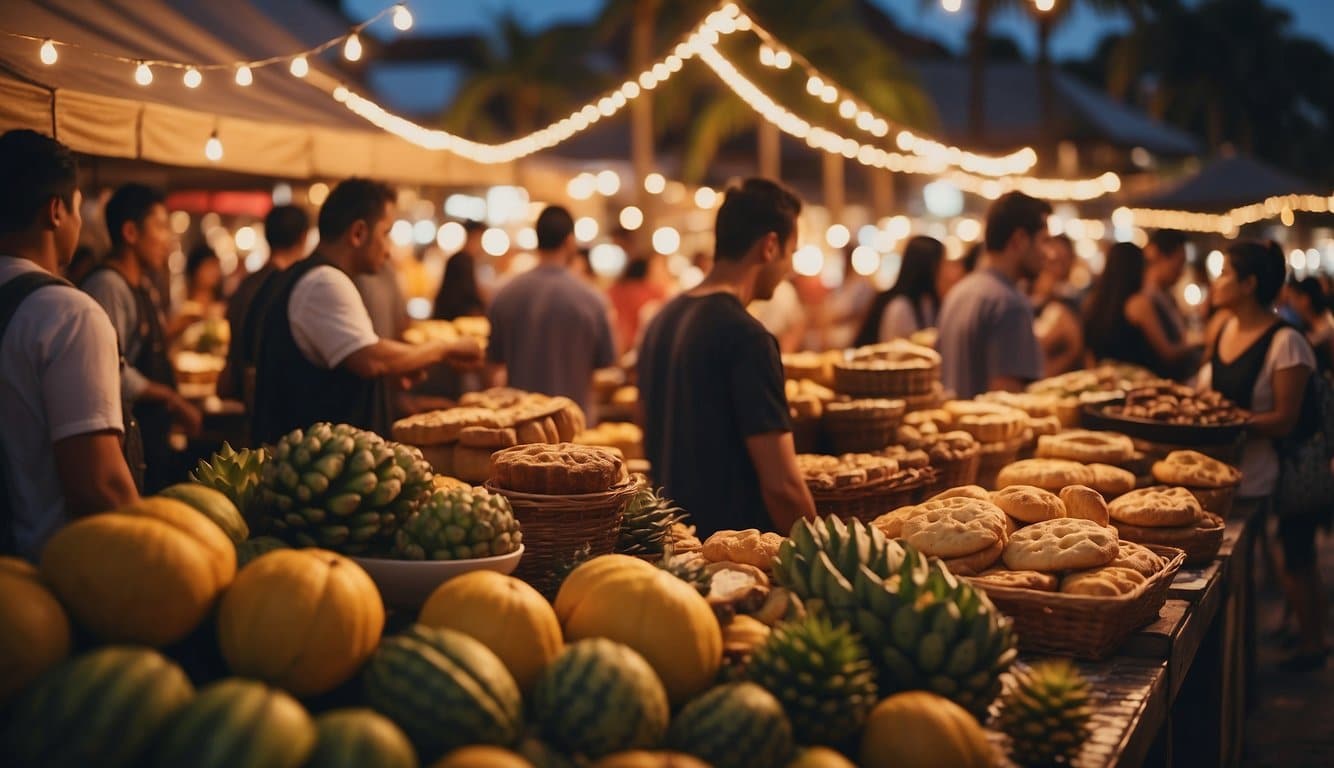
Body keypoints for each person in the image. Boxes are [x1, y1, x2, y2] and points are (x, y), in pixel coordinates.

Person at [639, 178, 816, 537]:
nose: (789, 267)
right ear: (770, 246)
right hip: (735, 557)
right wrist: (823, 554)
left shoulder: (662, 319)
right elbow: (782, 486)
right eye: (791, 253)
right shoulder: (748, 337)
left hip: (673, 543)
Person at [251, 179, 481, 444]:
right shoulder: (324, 281)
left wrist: (403, 398)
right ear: (358, 233)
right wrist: (444, 348)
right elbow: (372, 359)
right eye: (386, 233)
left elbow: (345, 369)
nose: (389, 249)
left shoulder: (307, 276)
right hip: (315, 473)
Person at [0, 129, 138, 560]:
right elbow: (98, 487)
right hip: (52, 585)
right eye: (79, 210)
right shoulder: (69, 314)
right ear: (56, 212)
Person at [1199, 240, 1323, 669]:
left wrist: (1230, 420)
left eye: (1225, 273)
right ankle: (1240, 656)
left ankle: (1312, 644)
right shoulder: (1221, 329)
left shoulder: (1287, 342)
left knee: (1294, 558)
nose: (1216, 282)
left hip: (1275, 473)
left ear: (1250, 284)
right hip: (1226, 474)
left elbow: (1286, 418)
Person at [82, 183, 201, 492]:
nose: (168, 239)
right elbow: (110, 369)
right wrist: (172, 399)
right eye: (160, 227)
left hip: (153, 435)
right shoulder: (108, 285)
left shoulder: (142, 285)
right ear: (131, 233)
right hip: (129, 440)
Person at [486, 206, 616, 419]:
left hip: (521, 428)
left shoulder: (505, 295)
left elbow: (492, 364)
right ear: (570, 241)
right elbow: (606, 361)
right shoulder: (592, 300)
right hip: (574, 426)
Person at [936, 192, 1050, 399]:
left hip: (955, 427)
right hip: (987, 430)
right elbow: (1008, 400)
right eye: (1044, 241)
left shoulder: (959, 292)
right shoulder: (1009, 303)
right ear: (1019, 240)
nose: (1047, 253)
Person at [218, 204, 309, 403]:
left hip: (242, 394)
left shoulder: (247, 284)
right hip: (272, 400)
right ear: (303, 237)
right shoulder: (289, 286)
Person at [854, 235, 944, 346]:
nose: (945, 272)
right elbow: (892, 351)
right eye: (941, 265)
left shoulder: (927, 302)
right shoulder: (899, 306)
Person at [1083, 243, 1157, 370]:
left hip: (1103, 380)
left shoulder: (1093, 302)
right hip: (1137, 382)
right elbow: (1167, 353)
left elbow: (1088, 352)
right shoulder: (1138, 303)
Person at [1138, 229, 1200, 379]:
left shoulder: (1167, 297)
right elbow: (1167, 353)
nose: (1181, 272)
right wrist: (1200, 341)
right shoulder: (1145, 298)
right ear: (1159, 256)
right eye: (1178, 264)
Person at [1033, 235, 1085, 376]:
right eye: (1050, 260)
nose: (1054, 268)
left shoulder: (1068, 303)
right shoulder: (1024, 295)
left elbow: (1076, 350)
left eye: (1062, 262)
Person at [608, 254, 670, 355]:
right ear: (647, 271)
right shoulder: (654, 293)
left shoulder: (614, 290)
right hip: (641, 348)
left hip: (617, 345)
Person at [433, 219, 486, 321]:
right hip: (452, 319)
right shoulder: (462, 260)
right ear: (473, 237)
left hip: (448, 317)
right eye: (480, 239)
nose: (481, 246)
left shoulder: (460, 258)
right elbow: (465, 296)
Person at [1290, 277, 1334, 371]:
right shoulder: (1306, 325)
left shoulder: (1327, 328)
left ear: (1306, 299)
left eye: (1295, 298)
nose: (1292, 304)